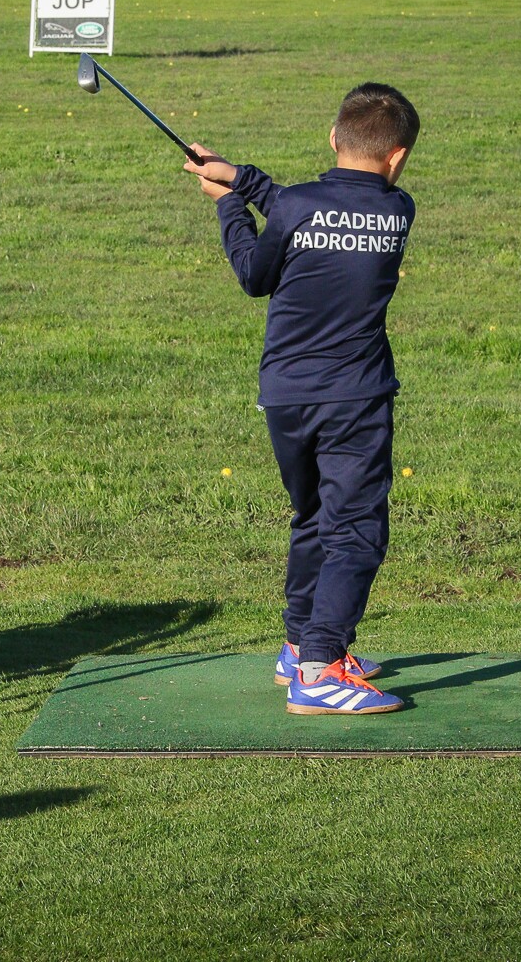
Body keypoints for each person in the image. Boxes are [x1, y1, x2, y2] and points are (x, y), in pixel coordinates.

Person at [184, 83, 419, 716]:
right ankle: (319, 670)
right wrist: (242, 180)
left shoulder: (297, 208)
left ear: (332, 138)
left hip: (286, 396)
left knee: (313, 515)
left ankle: (299, 645)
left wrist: (231, 202)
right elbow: (307, 207)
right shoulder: (400, 209)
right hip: (356, 398)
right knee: (357, 531)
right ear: (396, 158)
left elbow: (255, 273)